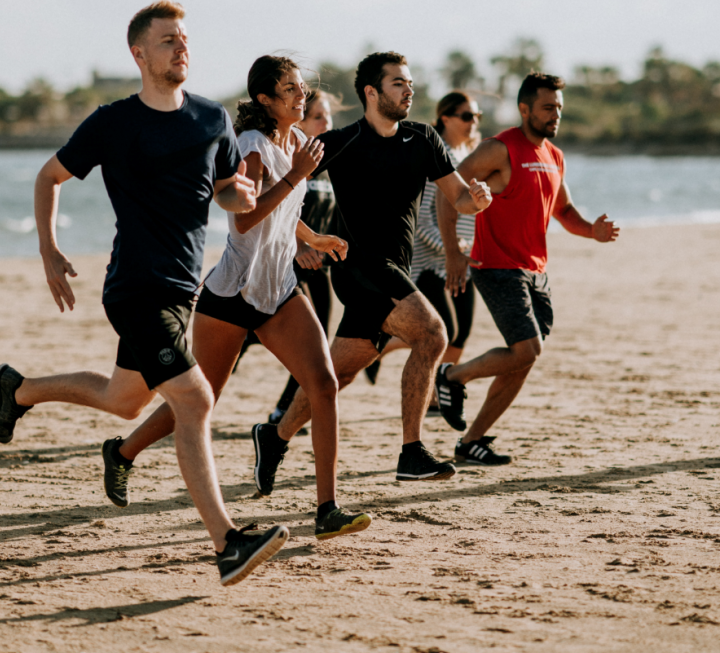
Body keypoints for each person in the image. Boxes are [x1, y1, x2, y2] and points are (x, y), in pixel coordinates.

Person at [0, 0, 289, 586]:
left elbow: (227, 189)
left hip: (182, 289)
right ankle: (227, 542)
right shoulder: (113, 122)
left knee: (123, 401)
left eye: (185, 38)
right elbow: (49, 176)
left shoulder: (211, 119)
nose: (182, 47)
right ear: (140, 54)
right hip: (134, 288)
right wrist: (48, 249)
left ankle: (18, 389)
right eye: (168, 40)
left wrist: (242, 198)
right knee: (196, 400)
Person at [102, 56, 372, 542]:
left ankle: (327, 508)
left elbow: (283, 213)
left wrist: (313, 239)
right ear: (266, 100)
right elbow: (245, 219)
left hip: (279, 291)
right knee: (200, 399)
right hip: (230, 294)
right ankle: (122, 452)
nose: (300, 94)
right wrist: (296, 176)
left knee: (324, 385)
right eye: (288, 89)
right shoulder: (251, 147)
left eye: (300, 87)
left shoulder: (296, 145)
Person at [251, 51, 493, 493]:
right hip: (359, 265)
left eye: (409, 83)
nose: (409, 90)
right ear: (371, 92)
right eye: (398, 83)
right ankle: (411, 452)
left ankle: (275, 435)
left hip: (393, 268)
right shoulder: (342, 142)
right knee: (433, 334)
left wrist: (477, 199)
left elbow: (458, 198)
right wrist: (302, 241)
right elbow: (282, 191)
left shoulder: (423, 139)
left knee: (337, 375)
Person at [435, 72, 620, 465]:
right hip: (497, 266)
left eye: (559, 109)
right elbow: (446, 191)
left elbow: (564, 211)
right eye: (548, 107)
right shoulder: (498, 149)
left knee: (524, 357)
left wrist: (593, 231)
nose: (555, 115)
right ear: (524, 109)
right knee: (527, 348)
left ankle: (471, 442)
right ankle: (452, 377)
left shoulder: (554, 155)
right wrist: (453, 252)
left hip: (536, 271)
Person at [364, 92, 482, 407]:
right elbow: (420, 220)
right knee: (443, 331)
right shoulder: (436, 155)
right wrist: (450, 249)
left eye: (477, 117)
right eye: (467, 116)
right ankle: (383, 347)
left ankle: (434, 395)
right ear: (446, 118)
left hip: (463, 260)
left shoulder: (468, 155)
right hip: (431, 263)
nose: (474, 123)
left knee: (461, 333)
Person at [265, 87, 342, 424]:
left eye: (329, 116)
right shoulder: (292, 162)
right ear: (301, 122)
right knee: (298, 342)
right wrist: (299, 246)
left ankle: (284, 407)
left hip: (319, 269)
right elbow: (273, 208)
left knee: (317, 343)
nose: (326, 123)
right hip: (289, 265)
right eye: (318, 117)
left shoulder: (329, 164)